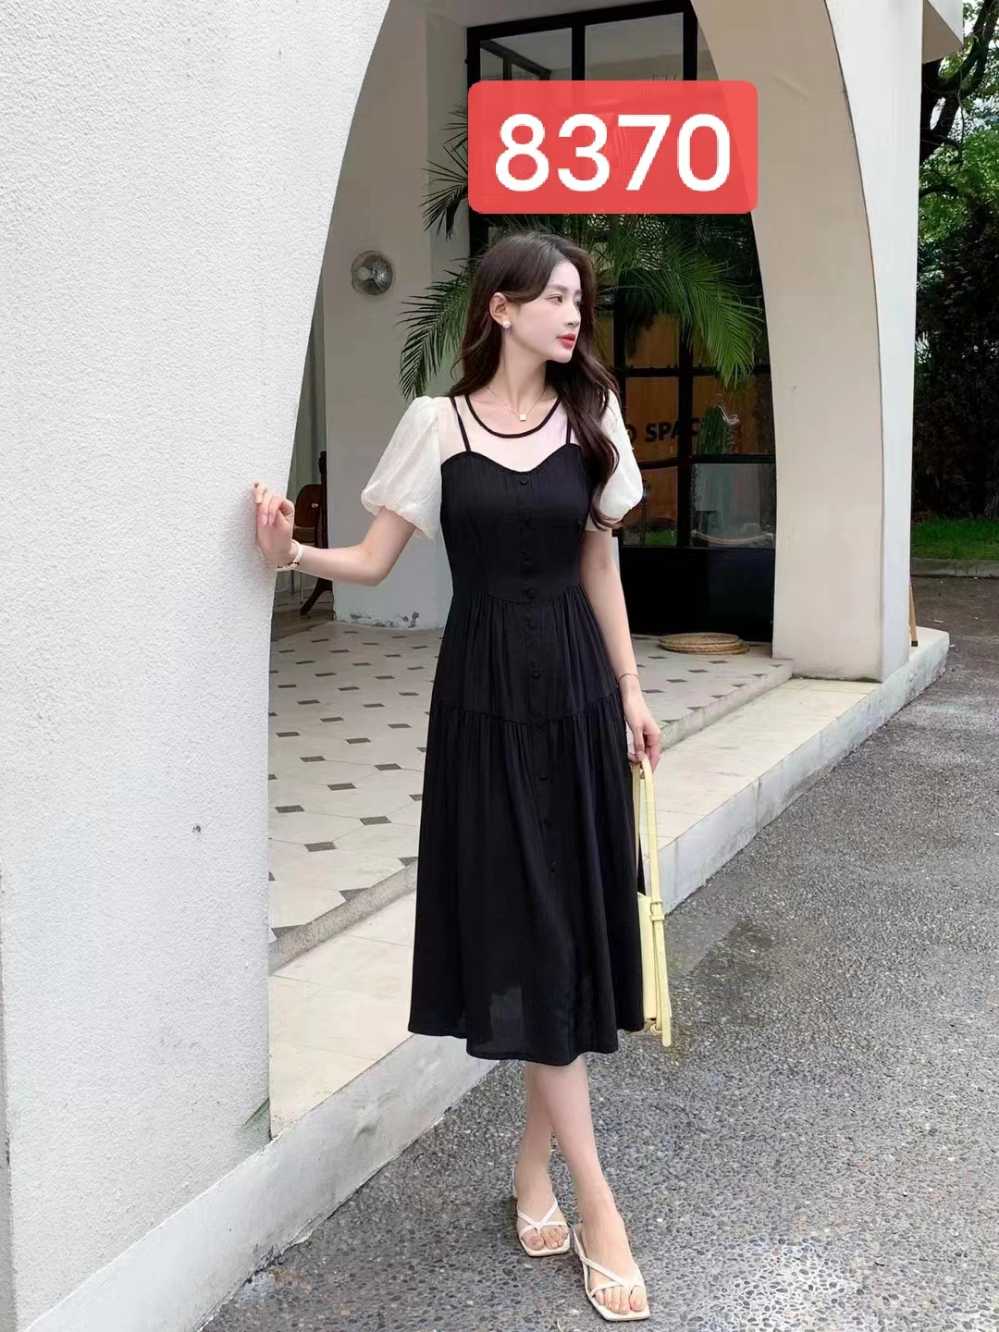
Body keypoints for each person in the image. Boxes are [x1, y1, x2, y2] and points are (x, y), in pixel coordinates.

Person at [252, 230, 662, 1321]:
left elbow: (598, 560)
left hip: (576, 696)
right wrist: (292, 555)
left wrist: (631, 692)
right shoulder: (437, 425)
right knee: (530, 927)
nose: (572, 315)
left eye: (578, 299)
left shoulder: (591, 418)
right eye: (554, 298)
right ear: (500, 308)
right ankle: (598, 1205)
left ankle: (535, 1173)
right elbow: (373, 560)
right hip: (481, 705)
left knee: (559, 932)